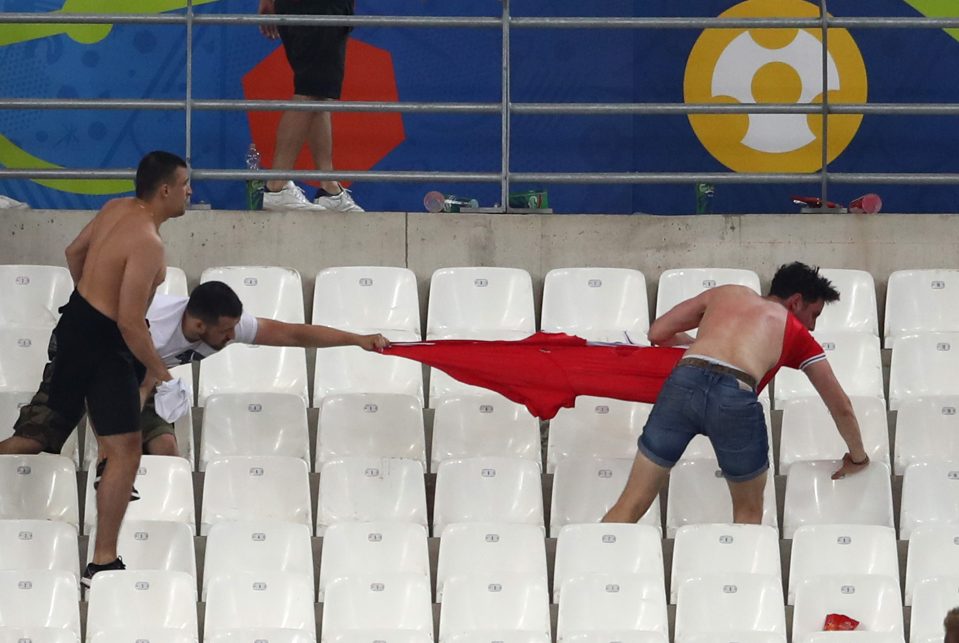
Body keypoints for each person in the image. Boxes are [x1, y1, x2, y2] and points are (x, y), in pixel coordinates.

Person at [603, 262, 870, 525]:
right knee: (748, 515)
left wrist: (705, 346)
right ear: (796, 302)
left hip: (684, 380)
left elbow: (657, 332)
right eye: (814, 315)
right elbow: (840, 405)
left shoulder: (727, 293)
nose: (812, 326)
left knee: (630, 503)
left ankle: (592, 563)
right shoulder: (796, 332)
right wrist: (858, 457)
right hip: (734, 395)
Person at [1, 280, 389, 459]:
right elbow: (123, 380)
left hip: (136, 374)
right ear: (199, 326)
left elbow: (292, 333)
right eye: (226, 331)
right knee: (32, 444)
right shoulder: (150, 319)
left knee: (165, 448)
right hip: (84, 356)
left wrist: (357, 338)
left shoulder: (224, 324)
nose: (233, 335)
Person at [34, 151, 190, 586]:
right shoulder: (149, 242)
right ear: (165, 190)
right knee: (125, 451)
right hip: (105, 343)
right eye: (185, 184)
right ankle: (102, 560)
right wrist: (162, 372)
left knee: (38, 434)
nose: (190, 192)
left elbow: (73, 252)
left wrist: (89, 296)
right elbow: (128, 322)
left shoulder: (114, 208)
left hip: (74, 325)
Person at [257, 0, 363, 212]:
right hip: (316, 6)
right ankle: (276, 187)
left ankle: (329, 188)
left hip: (320, 7)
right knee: (309, 92)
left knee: (319, 93)